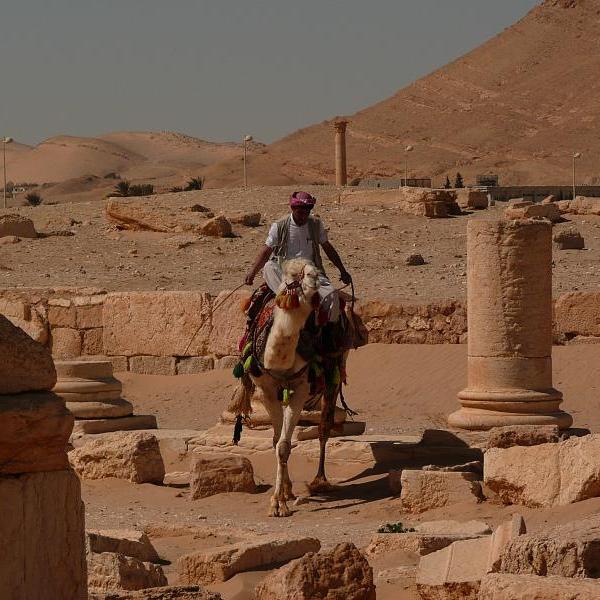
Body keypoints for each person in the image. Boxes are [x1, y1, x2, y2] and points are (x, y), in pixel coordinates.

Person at [244, 191, 351, 322]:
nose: (303, 217)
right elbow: (266, 251)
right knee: (269, 267)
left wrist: (342, 270)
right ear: (293, 208)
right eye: (300, 213)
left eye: (307, 213)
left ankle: (327, 331)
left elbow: (328, 248)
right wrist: (252, 272)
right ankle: (289, 296)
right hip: (286, 271)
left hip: (310, 272)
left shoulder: (316, 224)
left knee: (332, 296)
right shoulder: (279, 226)